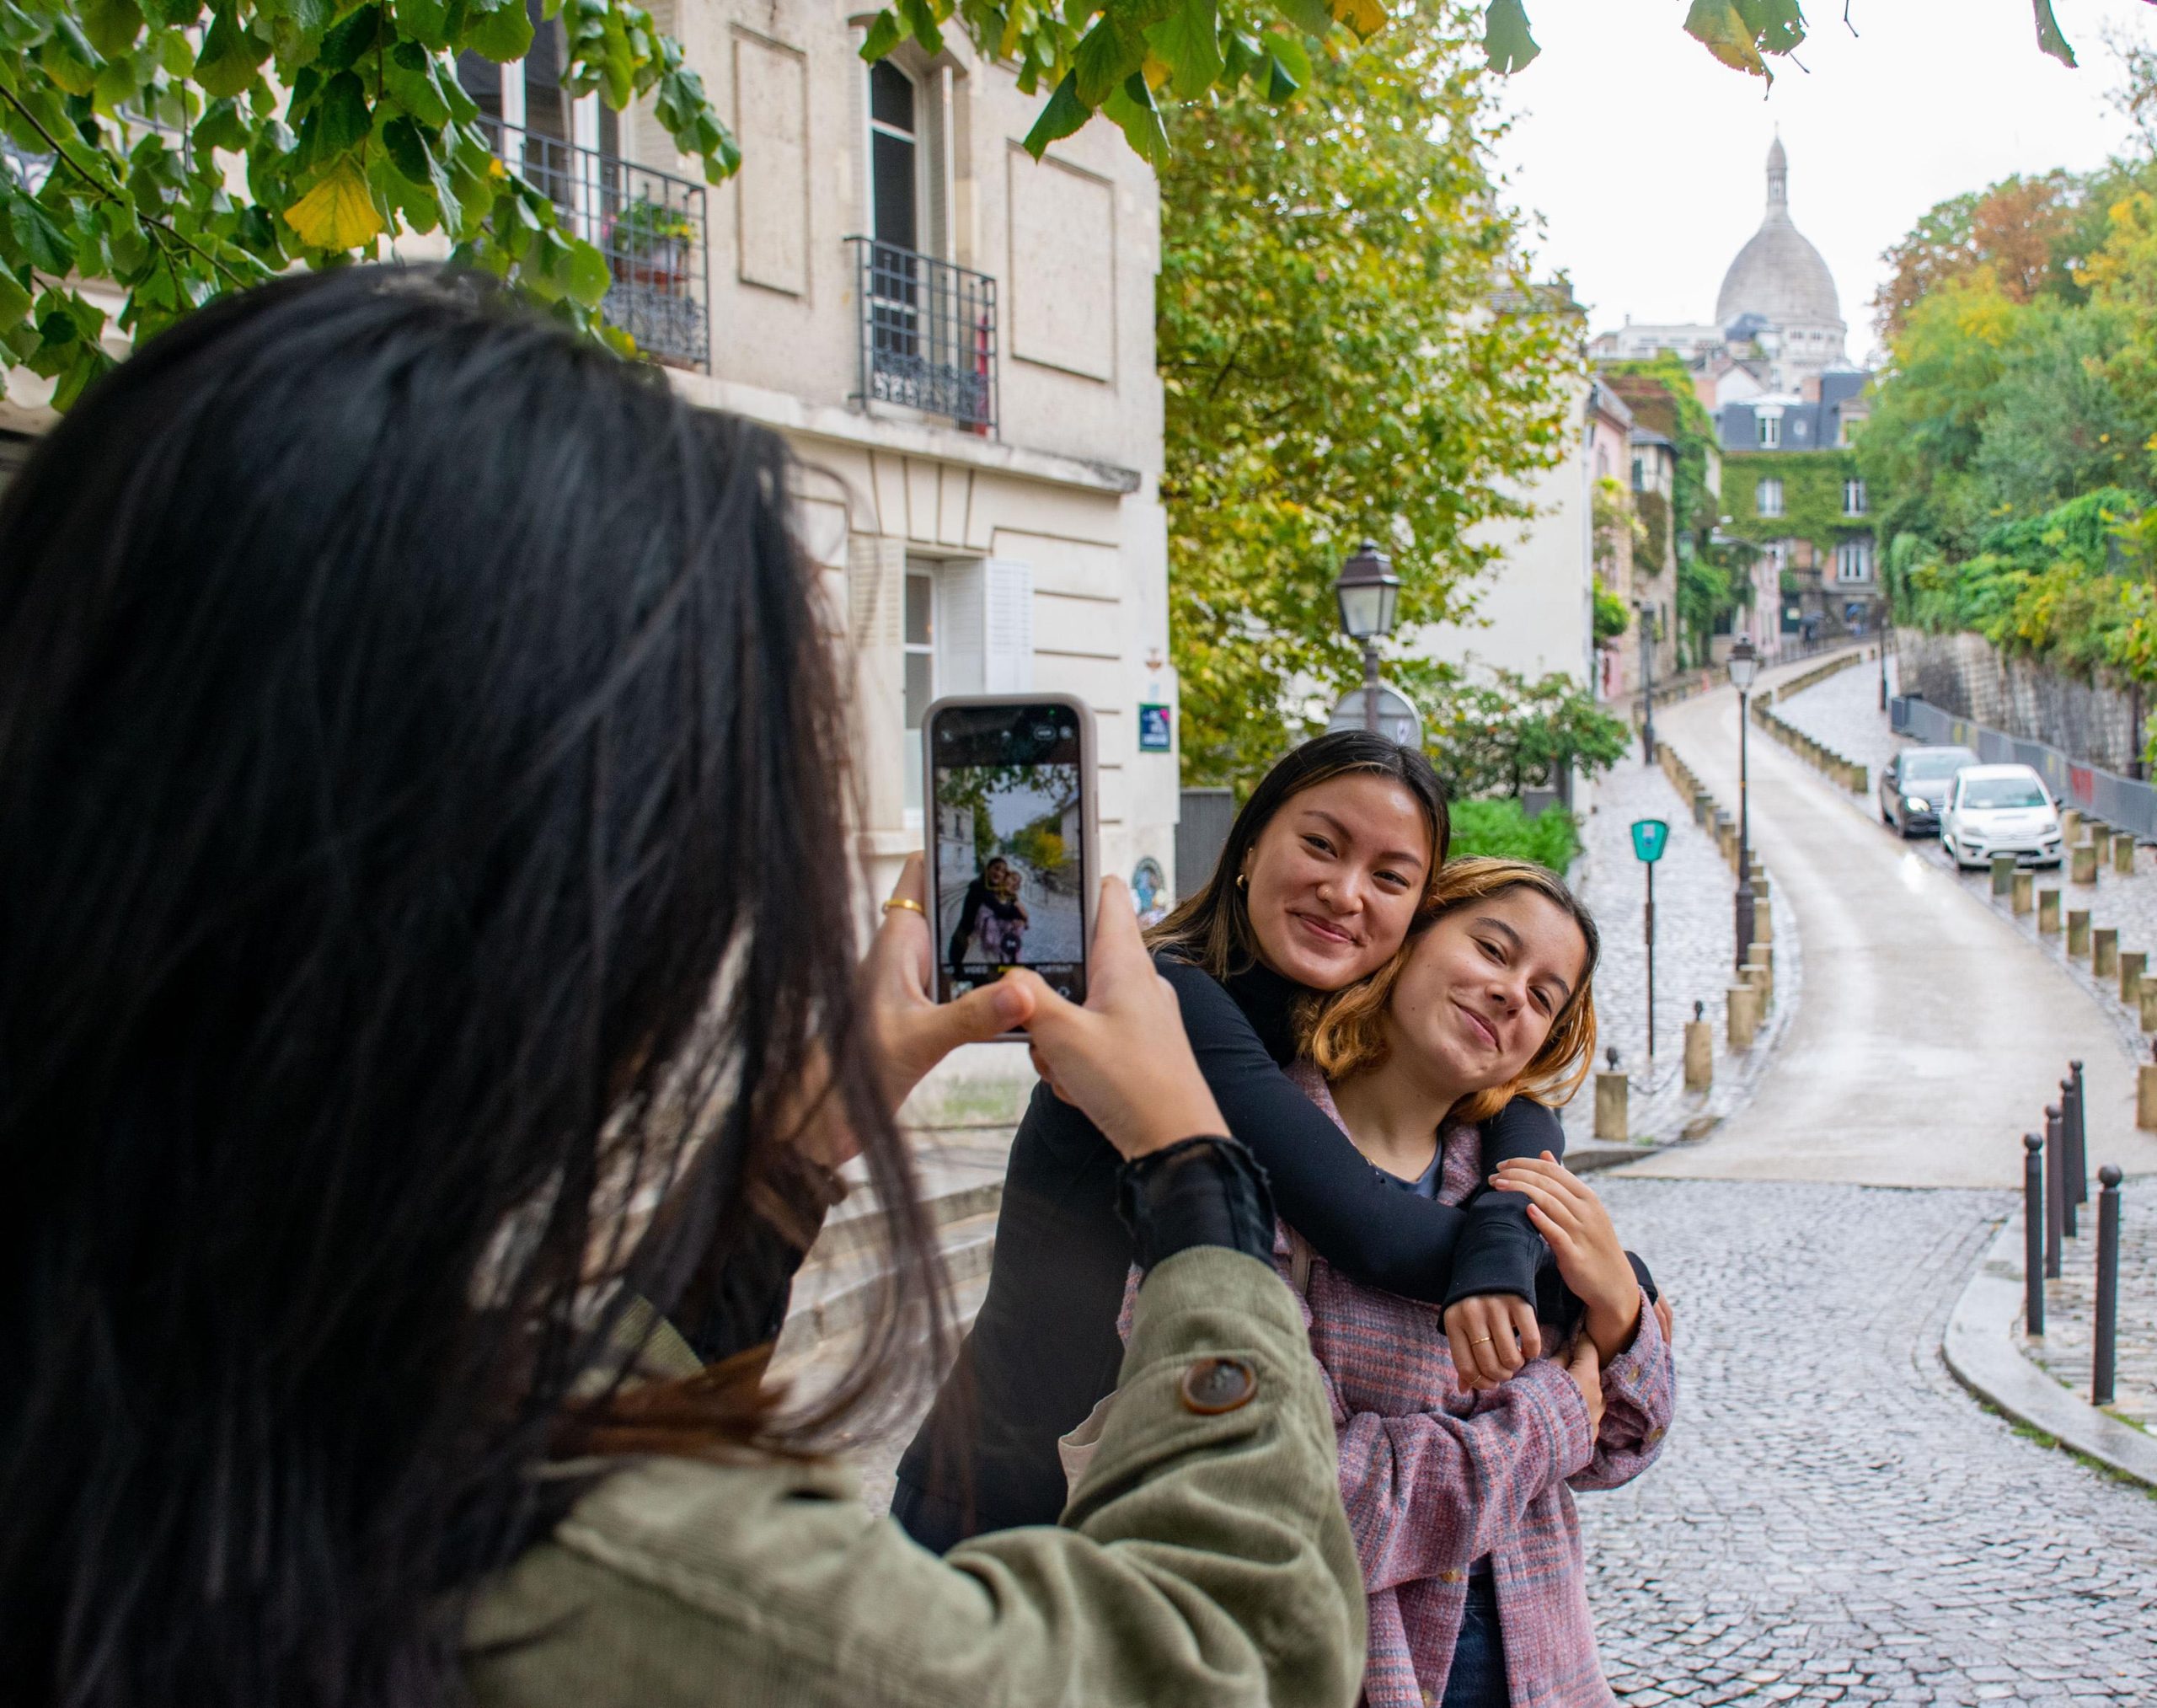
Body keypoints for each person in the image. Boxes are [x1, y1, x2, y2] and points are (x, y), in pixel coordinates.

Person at [0, 268, 1368, 1708]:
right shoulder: (541, 1547)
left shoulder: (155, 1358)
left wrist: (787, 1155)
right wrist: (1196, 1168)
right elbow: (1237, 1651)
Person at [895, 734, 1573, 1550]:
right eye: (1321, 844)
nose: (1345, 892)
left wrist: (1515, 1216)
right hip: (1005, 1502)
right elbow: (1368, 1223)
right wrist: (1582, 1275)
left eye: (1390, 877)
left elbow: (1516, 1106)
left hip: (1149, 1516)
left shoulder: (1320, 1027)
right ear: (1250, 847)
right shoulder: (1167, 995)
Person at [1278, 859, 1675, 1707]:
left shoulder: (1515, 1183)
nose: (1509, 994)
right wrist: (1546, 1417)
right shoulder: (1255, 1166)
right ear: (1409, 937)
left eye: (1542, 996)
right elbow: (1303, 1505)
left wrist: (1617, 1308)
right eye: (1493, 950)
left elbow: (1618, 1443)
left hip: (1544, 1663)